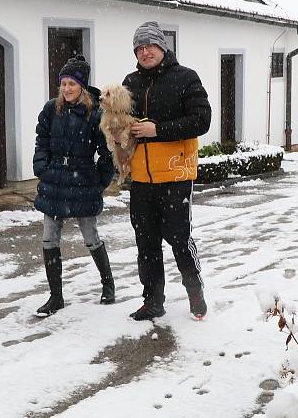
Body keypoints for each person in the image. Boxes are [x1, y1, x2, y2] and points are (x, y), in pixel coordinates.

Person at [123, 21, 212, 321]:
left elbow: (201, 120)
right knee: (146, 243)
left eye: (150, 45)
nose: (145, 51)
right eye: (139, 47)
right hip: (141, 178)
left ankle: (194, 292)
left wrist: (156, 129)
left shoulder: (186, 78)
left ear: (163, 46)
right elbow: (121, 120)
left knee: (179, 238)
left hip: (176, 175)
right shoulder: (130, 83)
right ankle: (153, 301)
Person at [32, 56, 116, 317]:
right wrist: (42, 167)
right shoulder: (50, 110)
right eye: (63, 84)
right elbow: (41, 141)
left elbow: (107, 152)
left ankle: (108, 284)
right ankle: (55, 297)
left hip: (83, 180)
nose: (67, 89)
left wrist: (101, 180)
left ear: (82, 86)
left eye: (72, 83)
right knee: (49, 238)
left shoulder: (95, 115)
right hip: (55, 179)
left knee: (90, 237)